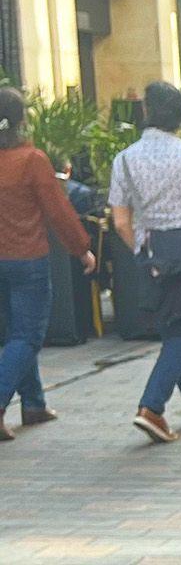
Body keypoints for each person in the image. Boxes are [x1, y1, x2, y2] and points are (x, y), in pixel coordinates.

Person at [110, 81, 181, 443]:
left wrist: (140, 248)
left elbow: (120, 220)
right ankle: (152, 407)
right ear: (180, 116)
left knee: (173, 329)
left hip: (151, 257)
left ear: (146, 113)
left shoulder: (125, 160)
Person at [0, 87, 97, 442]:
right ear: (22, 119)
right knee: (27, 335)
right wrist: (82, 249)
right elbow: (59, 211)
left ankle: (34, 403)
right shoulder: (32, 159)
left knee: (14, 335)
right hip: (27, 260)